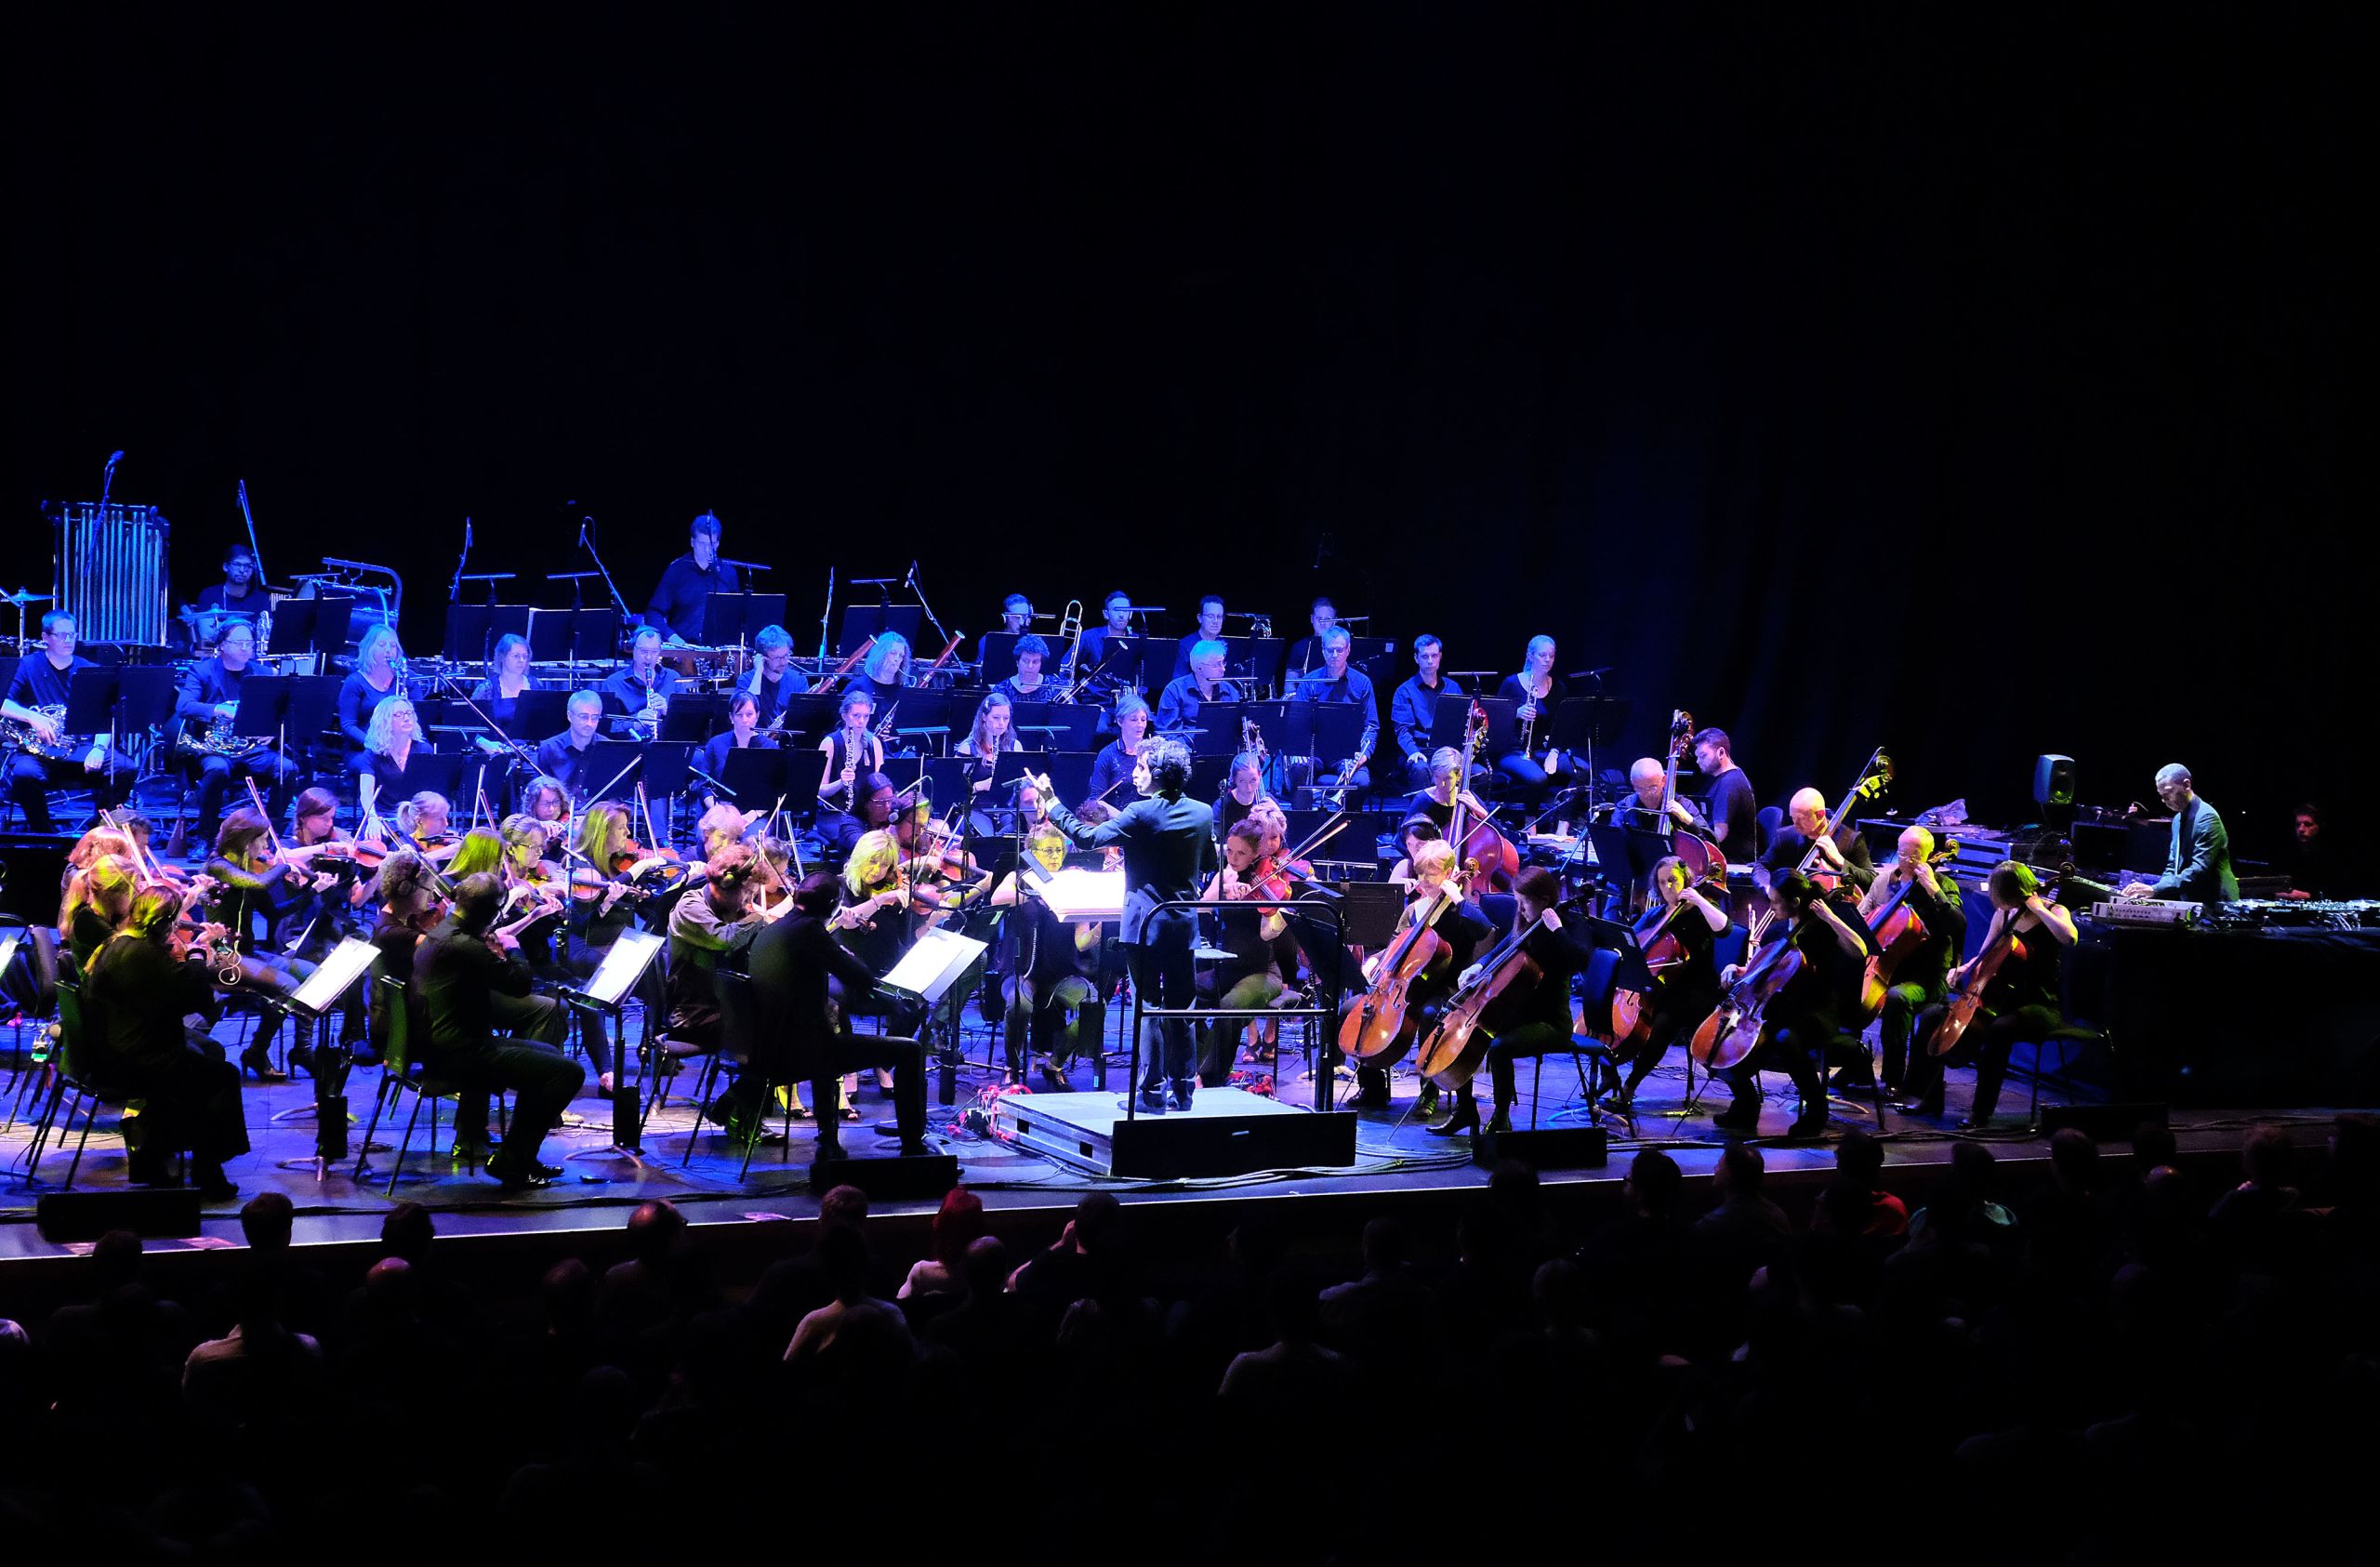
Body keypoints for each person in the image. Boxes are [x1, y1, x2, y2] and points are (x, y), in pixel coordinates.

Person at [1031, 737, 1213, 1111]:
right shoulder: (1203, 812)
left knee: (1148, 1005)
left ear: (1158, 774)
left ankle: (1150, 1094)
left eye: (1142, 768)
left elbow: (1084, 836)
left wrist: (1050, 800)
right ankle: (1183, 1092)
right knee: (1182, 1008)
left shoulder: (1141, 812)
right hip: (1183, 924)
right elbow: (1208, 859)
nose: (1134, 773)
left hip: (1144, 924)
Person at [742, 870, 933, 1159]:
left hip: (768, 1046)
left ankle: (828, 1140)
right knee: (910, 1050)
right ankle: (914, 1147)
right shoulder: (810, 931)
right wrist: (846, 956)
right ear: (833, 905)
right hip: (805, 1050)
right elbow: (861, 979)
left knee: (831, 1038)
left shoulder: (775, 929)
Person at [416, 872, 587, 1187]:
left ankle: (518, 1156)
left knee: (549, 1056)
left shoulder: (441, 933)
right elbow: (519, 985)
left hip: (447, 1045)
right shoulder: (464, 945)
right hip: (462, 1054)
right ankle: (512, 1161)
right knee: (568, 1073)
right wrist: (512, 947)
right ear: (491, 913)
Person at [82, 888, 249, 1199]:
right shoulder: (140, 955)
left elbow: (168, 989)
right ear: (163, 922)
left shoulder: (121, 943)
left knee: (203, 1063)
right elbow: (190, 998)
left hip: (118, 1049)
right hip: (134, 1060)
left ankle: (168, 1161)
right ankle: (208, 1171)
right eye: (173, 922)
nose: (176, 928)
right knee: (221, 1078)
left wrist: (188, 956)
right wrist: (199, 952)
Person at [1903, 860, 2078, 1128]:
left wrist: (2040, 909)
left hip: (2039, 1004)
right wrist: (1963, 969)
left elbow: (2070, 938)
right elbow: (1984, 956)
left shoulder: (2055, 910)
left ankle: (1980, 1112)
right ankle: (1929, 1097)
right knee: (1930, 1017)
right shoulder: (2004, 915)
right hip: (1997, 1000)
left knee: (2000, 1031)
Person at [1427, 867, 1594, 1135]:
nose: (1521, 908)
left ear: (1543, 899)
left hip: (1550, 1021)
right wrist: (1480, 966)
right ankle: (1465, 1109)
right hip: (1517, 1013)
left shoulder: (1573, 925)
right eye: (1517, 901)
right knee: (1468, 1037)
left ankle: (1501, 1116)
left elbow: (1584, 963)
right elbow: (1503, 946)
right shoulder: (1526, 923)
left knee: (1499, 1047)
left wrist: (1558, 930)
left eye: (1524, 902)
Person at [1712, 870, 1872, 1137]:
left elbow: (1860, 951)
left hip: (1816, 1012)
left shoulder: (1822, 929)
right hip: (1776, 1008)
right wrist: (1736, 969)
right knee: (1718, 1036)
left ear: (1795, 901)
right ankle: (1746, 1103)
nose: (1771, 907)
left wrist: (1831, 917)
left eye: (1775, 902)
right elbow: (1759, 968)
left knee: (1786, 1039)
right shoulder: (1775, 930)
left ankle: (1816, 1109)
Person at [990, 825, 1112, 1087]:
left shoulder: (1070, 885)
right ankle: (1011, 1064)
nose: (1056, 856)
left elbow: (1082, 943)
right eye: (1049, 850)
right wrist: (1043, 890)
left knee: (1095, 1007)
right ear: (1032, 853)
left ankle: (1054, 1063)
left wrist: (1102, 921)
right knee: (1019, 1004)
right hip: (1021, 971)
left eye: (1060, 850)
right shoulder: (1019, 879)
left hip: (1062, 974)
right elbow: (997, 899)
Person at [1611, 856, 1729, 1107]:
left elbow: (1726, 928)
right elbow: (1633, 943)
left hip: (1697, 989)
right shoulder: (1656, 915)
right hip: (1662, 986)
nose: (1668, 888)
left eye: (1673, 881)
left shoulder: (1701, 912)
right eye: (1662, 882)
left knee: (1664, 1022)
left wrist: (1698, 899)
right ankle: (1608, 1077)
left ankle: (1629, 1087)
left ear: (1686, 880)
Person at [1858, 826, 1965, 1099]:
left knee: (1896, 998)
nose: (1906, 860)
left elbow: (1958, 924)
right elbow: (1862, 920)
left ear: (1929, 856)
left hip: (1927, 978)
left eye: (1915, 855)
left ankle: (1893, 1078)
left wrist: (1931, 887)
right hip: (1886, 968)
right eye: (1902, 852)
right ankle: (1854, 1064)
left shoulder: (1943, 885)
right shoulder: (1883, 882)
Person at [172, 619, 297, 852]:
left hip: (251, 748)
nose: (245, 648)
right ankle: (205, 837)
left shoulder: (264, 673)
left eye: (249, 643)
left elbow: (281, 710)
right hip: (214, 747)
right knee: (217, 770)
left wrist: (271, 731)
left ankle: (267, 833)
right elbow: (184, 706)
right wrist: (218, 709)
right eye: (238, 643)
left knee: (287, 769)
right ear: (222, 645)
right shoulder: (202, 670)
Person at [4, 611, 133, 832]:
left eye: (72, 635)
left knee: (124, 767)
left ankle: (97, 830)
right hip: (37, 750)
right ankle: (46, 835)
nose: (68, 641)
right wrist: (32, 717)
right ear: (45, 637)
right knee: (24, 775)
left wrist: (99, 748)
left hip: (80, 749)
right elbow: (3, 703)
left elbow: (105, 716)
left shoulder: (89, 670)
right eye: (61, 635)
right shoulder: (27, 665)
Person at [664, 841, 765, 1056]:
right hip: (693, 1014)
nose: (749, 901)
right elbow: (723, 939)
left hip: (724, 1007)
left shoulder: (731, 911)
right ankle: (747, 1088)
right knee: (769, 1033)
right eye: (748, 893)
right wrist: (758, 919)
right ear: (727, 886)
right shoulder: (690, 906)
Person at [2121, 763, 2240, 904]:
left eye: (2168, 793)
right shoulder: (2177, 819)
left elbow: (2199, 869)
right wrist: (2157, 892)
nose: (2164, 800)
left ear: (2186, 785)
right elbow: (2172, 865)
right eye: (2161, 795)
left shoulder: (2207, 818)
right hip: (2192, 899)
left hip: (2217, 902)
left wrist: (2155, 889)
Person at [1288, 627, 1377, 801]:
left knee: (1361, 782)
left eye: (1340, 649)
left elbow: (1371, 725)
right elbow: (1297, 723)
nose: (1335, 655)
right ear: (1322, 651)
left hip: (1348, 752)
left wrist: (1363, 756)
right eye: (1330, 650)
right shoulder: (1309, 681)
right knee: (1298, 769)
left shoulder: (1363, 683)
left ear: (1348, 650)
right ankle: (1302, 822)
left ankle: (1348, 826)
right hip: (1314, 751)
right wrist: (1298, 750)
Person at [1757, 786, 1876, 895]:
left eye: (1800, 818)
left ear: (1820, 814)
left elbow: (1871, 880)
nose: (1795, 823)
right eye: (1793, 817)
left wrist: (1841, 861)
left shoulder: (1850, 839)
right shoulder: (1785, 836)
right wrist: (1768, 888)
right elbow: (1761, 867)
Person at [1492, 635, 1569, 801]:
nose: (1547, 660)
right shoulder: (1512, 683)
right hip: (1513, 752)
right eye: (1542, 655)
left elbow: (1561, 727)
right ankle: (1530, 823)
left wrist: (1554, 753)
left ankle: (1563, 822)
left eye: (1552, 655)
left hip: (1545, 751)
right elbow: (1494, 720)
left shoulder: (1559, 687)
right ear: (1530, 656)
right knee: (1538, 779)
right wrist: (1516, 713)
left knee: (1583, 771)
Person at [645, 511, 738, 644]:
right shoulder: (676, 570)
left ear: (717, 543)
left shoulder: (728, 573)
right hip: (684, 650)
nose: (707, 550)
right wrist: (673, 637)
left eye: (711, 545)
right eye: (702, 544)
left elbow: (736, 617)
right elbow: (653, 614)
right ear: (692, 542)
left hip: (718, 651)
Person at [1390, 634, 1467, 790]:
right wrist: (1413, 752)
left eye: (1434, 655)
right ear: (1416, 658)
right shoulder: (1404, 691)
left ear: (1440, 657)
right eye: (1425, 656)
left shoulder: (1453, 688)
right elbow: (1403, 730)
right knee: (1420, 768)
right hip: (1419, 748)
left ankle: (1460, 814)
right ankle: (1421, 814)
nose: (1430, 661)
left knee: (1479, 772)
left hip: (1447, 751)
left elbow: (1462, 724)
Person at [336, 624, 406, 773]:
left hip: (401, 746)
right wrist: (375, 744)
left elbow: (418, 714)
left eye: (393, 646)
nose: (388, 650)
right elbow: (348, 725)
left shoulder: (405, 679)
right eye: (382, 645)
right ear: (369, 648)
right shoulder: (355, 682)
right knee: (382, 767)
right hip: (364, 750)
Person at [697, 692, 776, 807]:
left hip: (756, 812)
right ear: (731, 717)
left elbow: (774, 789)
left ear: (757, 715)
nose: (744, 720)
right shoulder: (716, 743)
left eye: (749, 714)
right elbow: (704, 785)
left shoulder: (769, 746)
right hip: (721, 809)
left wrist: (753, 815)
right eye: (739, 715)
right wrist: (716, 810)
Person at [184, 541, 269, 647]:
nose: (242, 570)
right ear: (225, 567)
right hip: (219, 656)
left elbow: (265, 634)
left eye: (248, 566)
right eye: (237, 564)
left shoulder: (261, 598)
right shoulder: (209, 595)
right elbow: (206, 634)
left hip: (250, 654)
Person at [601, 626, 680, 738]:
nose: (648, 657)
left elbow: (686, 723)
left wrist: (668, 711)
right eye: (643, 651)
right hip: (628, 748)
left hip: (667, 744)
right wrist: (635, 723)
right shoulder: (613, 682)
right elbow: (606, 728)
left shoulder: (673, 678)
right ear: (633, 650)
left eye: (654, 652)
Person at [814, 689, 886, 813]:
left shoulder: (874, 743)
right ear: (844, 715)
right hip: (834, 813)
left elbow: (879, 786)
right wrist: (841, 782)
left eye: (866, 716)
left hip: (865, 814)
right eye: (856, 715)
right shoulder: (830, 743)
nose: (861, 721)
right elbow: (819, 791)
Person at [1690, 726, 1757, 854]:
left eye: (1703, 756)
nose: (1698, 761)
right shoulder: (1724, 779)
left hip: (1732, 862)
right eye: (1697, 757)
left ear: (1721, 753)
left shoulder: (1730, 783)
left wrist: (1688, 821)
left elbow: (1718, 836)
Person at [1606, 757, 1710, 837]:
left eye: (1652, 788)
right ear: (1633, 784)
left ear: (1664, 781)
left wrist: (1688, 820)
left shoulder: (1683, 804)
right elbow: (1613, 839)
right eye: (1640, 789)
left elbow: (1711, 840)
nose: (1647, 794)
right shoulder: (1626, 806)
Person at [1403, 747, 1494, 836]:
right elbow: (1402, 839)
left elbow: (1501, 833)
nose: (1441, 784)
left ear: (1459, 775)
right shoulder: (1423, 799)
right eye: (1437, 777)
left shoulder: (1467, 797)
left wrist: (1480, 810)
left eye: (1448, 778)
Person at [535, 692, 607, 803]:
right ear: (569, 716)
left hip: (598, 815)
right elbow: (539, 794)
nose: (590, 723)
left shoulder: (607, 747)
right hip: (559, 815)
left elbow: (614, 794)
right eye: (584, 717)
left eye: (595, 718)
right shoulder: (549, 748)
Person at [1157, 639, 1243, 732]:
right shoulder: (1175, 690)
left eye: (1223, 663)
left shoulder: (1230, 691)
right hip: (1186, 746)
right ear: (1199, 667)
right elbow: (1169, 733)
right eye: (1216, 665)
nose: (1223, 669)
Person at [1085, 695, 1155, 805]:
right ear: (1120, 721)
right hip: (1116, 819)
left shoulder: (1153, 752)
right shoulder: (1107, 755)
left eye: (1143, 719)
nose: (1140, 725)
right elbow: (1097, 799)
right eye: (1134, 719)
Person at [468, 631, 537, 743]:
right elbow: (466, 726)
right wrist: (484, 744)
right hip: (497, 753)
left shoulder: (535, 685)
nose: (521, 660)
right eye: (516, 656)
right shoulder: (486, 689)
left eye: (525, 656)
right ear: (502, 657)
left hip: (530, 752)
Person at [960, 692, 1024, 799]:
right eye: (996, 717)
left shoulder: (1015, 746)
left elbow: (1021, 782)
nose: (1001, 723)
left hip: (1006, 807)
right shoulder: (968, 748)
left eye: (1006, 718)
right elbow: (955, 789)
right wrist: (980, 786)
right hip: (975, 807)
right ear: (984, 717)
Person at [1076, 591, 1138, 685]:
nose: (1121, 614)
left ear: (1131, 614)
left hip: (1126, 697)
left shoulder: (1137, 640)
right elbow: (1066, 666)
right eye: (1116, 610)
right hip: (1093, 698)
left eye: (1125, 610)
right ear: (1106, 614)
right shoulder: (1089, 637)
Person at [845, 632, 911, 707]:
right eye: (893, 653)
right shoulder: (858, 686)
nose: (897, 659)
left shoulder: (904, 689)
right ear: (880, 654)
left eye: (901, 655)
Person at [1171, 595, 1229, 678]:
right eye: (1210, 616)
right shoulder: (1185, 646)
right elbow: (1179, 682)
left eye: (1219, 617)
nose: (1215, 621)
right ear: (1200, 618)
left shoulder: (1225, 645)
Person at [2284, 803, 2332, 900]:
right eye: (2298, 825)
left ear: (2319, 827)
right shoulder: (2286, 855)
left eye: (2307, 824)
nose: (2301, 829)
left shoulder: (2330, 857)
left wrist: (2309, 896)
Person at [1283, 597, 1340, 680]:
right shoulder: (1299, 647)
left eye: (1327, 619)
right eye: (1319, 619)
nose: (1322, 623)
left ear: (1335, 621)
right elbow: (1290, 683)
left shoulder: (1343, 647)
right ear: (1312, 619)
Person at [991, 632, 1053, 705]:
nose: (1030, 666)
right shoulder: (1002, 690)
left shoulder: (1055, 686)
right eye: (1026, 661)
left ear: (1041, 664)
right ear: (1017, 662)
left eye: (1035, 662)